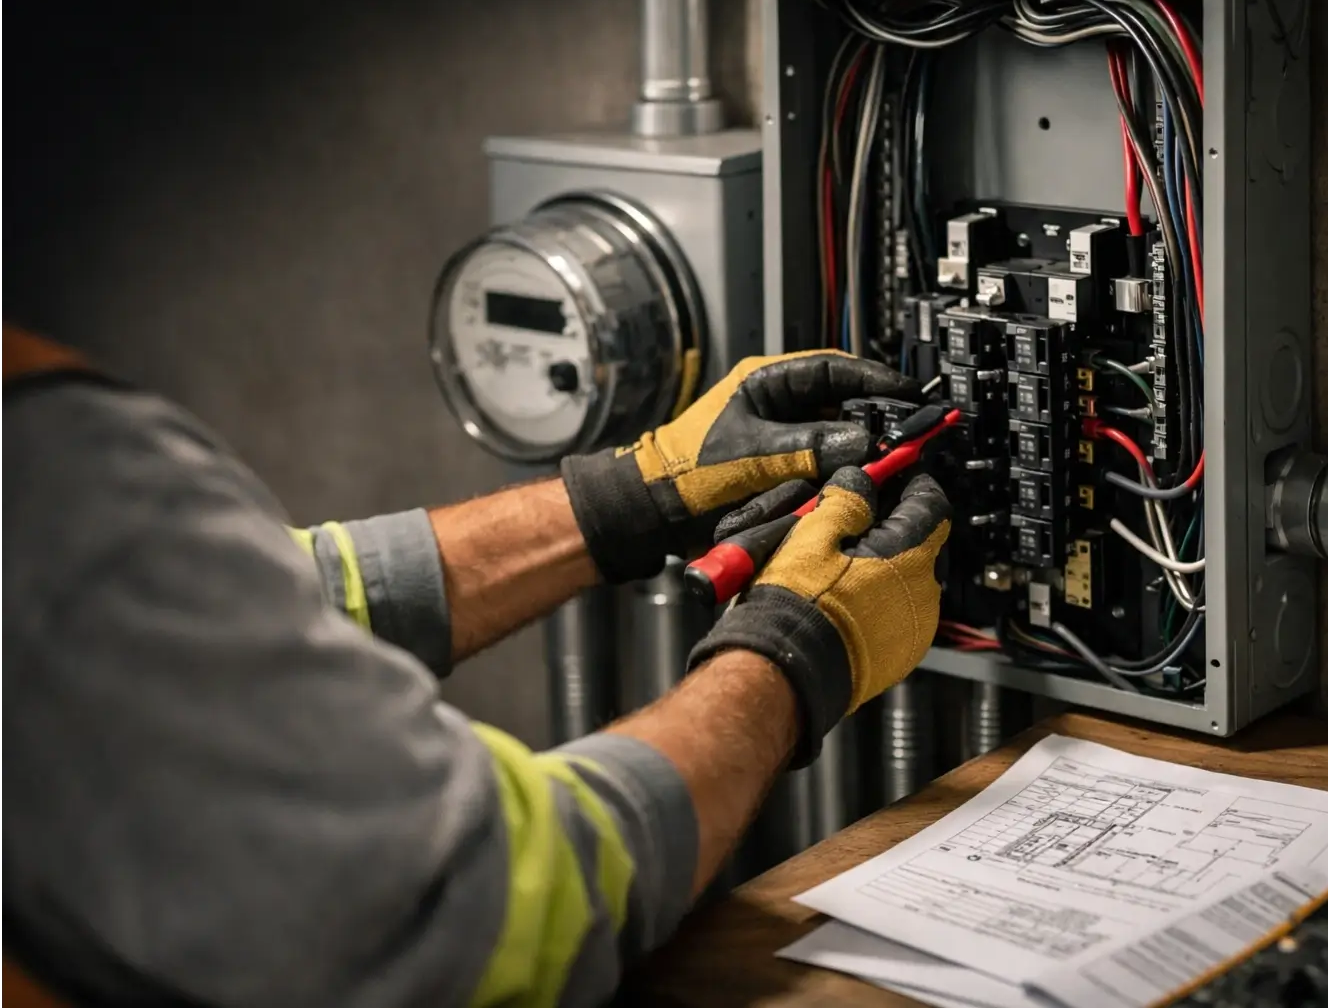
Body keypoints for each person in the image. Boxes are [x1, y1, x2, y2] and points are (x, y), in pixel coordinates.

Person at [0, 324, 952, 1008]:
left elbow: (277, 595)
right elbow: (493, 894)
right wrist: (791, 651)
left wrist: (637, 488)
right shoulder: (48, 486)